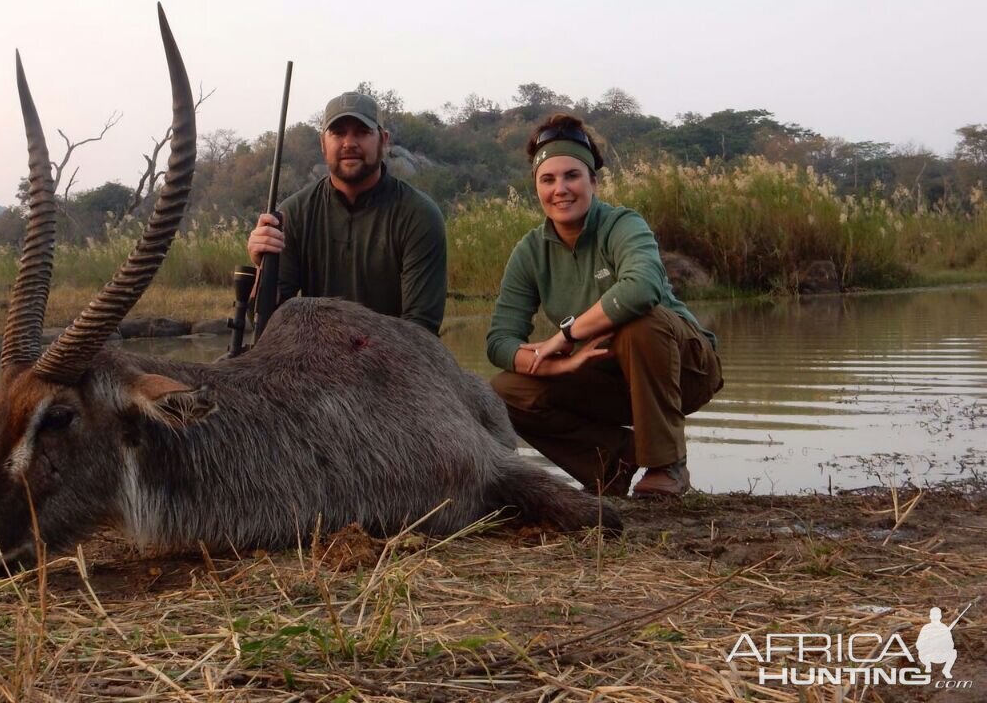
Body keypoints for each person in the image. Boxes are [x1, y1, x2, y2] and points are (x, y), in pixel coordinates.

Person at [485, 114, 722, 497]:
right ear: (537, 189)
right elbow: (499, 340)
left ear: (593, 182)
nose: (560, 189)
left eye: (572, 176)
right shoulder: (529, 251)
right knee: (505, 391)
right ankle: (612, 461)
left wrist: (566, 334)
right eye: (548, 179)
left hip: (685, 370)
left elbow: (641, 288)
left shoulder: (622, 224)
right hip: (606, 376)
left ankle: (667, 464)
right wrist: (562, 363)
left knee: (640, 323)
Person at [246, 91, 447, 334]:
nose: (349, 143)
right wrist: (263, 267)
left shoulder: (419, 215)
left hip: (394, 362)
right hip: (315, 356)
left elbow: (421, 329)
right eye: (338, 132)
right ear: (323, 143)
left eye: (362, 132)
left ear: (383, 140)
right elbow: (266, 323)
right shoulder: (293, 213)